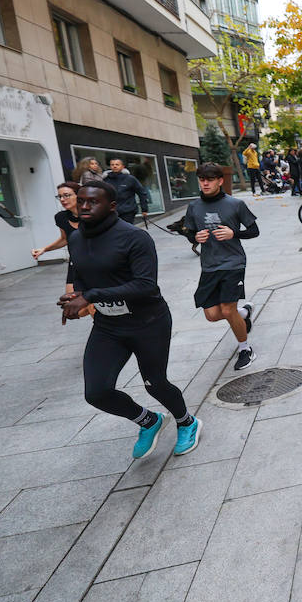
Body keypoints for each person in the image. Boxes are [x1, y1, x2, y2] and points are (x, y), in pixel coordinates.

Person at [60, 180, 203, 459]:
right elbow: (81, 275)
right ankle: (149, 421)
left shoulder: (134, 237)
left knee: (155, 383)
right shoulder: (76, 238)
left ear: (112, 206)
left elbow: (146, 285)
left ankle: (187, 422)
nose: (85, 205)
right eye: (82, 200)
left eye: (93, 201)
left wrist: (90, 295)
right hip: (108, 326)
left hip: (148, 322)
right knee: (97, 392)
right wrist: (75, 298)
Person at [184, 163, 259, 370]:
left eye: (209, 179)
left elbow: (254, 231)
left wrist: (234, 233)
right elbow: (189, 232)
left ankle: (245, 349)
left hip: (233, 263)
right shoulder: (193, 207)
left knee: (227, 309)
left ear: (220, 181)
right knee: (212, 315)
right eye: (201, 179)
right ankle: (244, 313)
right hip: (209, 265)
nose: (205, 183)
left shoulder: (235, 204)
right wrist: (195, 237)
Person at [33, 181, 81, 296]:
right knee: (72, 304)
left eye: (66, 195)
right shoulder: (61, 217)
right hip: (76, 263)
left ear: (78, 195)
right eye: (59, 196)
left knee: (96, 305)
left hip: (98, 262)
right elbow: (65, 239)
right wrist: (44, 249)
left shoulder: (92, 215)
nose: (62, 199)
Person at [104, 158, 151, 225]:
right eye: (112, 164)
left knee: (126, 231)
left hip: (128, 211)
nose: (114, 166)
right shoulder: (106, 180)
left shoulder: (130, 179)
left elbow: (142, 193)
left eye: (117, 164)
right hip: (111, 212)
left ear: (122, 166)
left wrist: (144, 209)